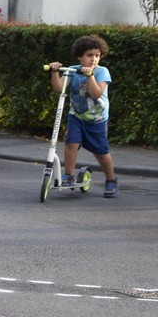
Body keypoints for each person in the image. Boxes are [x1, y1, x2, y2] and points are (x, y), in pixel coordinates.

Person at [48, 34, 118, 197]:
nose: (93, 59)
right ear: (80, 56)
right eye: (89, 55)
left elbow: (96, 93)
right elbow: (59, 88)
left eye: (97, 55)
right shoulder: (72, 70)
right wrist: (55, 72)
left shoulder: (101, 72)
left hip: (97, 119)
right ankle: (69, 176)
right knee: (71, 143)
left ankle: (111, 180)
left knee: (101, 152)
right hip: (77, 116)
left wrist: (90, 76)